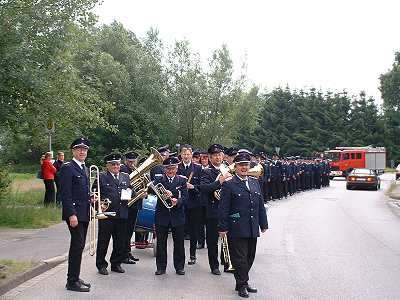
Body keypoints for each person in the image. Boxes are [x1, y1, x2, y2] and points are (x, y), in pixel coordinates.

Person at [218, 151, 268, 298]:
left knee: (250, 256)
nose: (244, 168)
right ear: (236, 167)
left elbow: (260, 204)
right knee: (240, 258)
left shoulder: (254, 182)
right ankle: (242, 284)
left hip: (252, 226)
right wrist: (222, 227)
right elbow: (224, 208)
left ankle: (242, 282)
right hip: (237, 227)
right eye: (241, 165)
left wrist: (263, 223)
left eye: (246, 165)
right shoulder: (229, 185)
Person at [59, 137, 92, 292]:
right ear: (73, 151)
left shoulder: (84, 168)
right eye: (79, 149)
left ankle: (75, 277)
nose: (82, 151)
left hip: (84, 213)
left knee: (79, 246)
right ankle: (71, 282)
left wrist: (92, 197)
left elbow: (82, 192)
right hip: (75, 214)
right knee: (77, 246)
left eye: (85, 149)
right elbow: (65, 194)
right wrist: (71, 214)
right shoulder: (68, 167)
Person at [96, 153, 134, 275]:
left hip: (122, 213)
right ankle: (101, 265)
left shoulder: (125, 176)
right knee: (103, 242)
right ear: (107, 166)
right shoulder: (101, 177)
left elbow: (131, 191)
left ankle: (116, 263)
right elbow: (94, 195)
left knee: (120, 242)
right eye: (113, 164)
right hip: (107, 215)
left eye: (117, 164)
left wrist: (130, 193)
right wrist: (98, 206)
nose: (116, 166)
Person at [152, 156, 188, 276]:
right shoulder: (159, 180)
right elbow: (150, 191)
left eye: (172, 168)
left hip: (177, 216)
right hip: (162, 215)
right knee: (161, 243)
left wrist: (177, 201)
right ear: (164, 169)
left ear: (177, 168)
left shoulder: (182, 181)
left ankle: (179, 267)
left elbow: (185, 198)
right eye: (168, 169)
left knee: (179, 243)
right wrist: (161, 192)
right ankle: (161, 267)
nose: (170, 171)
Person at [200, 143, 232, 275]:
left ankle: (227, 263)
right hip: (213, 209)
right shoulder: (207, 172)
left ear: (223, 155)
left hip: (227, 209)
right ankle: (214, 265)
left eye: (219, 155)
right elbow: (204, 188)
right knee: (212, 240)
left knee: (227, 238)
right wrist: (220, 181)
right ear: (210, 157)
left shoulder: (229, 169)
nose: (218, 158)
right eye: (215, 155)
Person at [177, 144, 203, 265]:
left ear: (191, 155)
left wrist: (193, 187)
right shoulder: (176, 167)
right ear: (181, 155)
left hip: (194, 203)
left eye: (188, 154)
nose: (186, 156)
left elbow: (202, 186)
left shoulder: (198, 168)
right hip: (181, 203)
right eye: (184, 154)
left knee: (193, 231)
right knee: (181, 230)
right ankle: (180, 256)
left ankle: (193, 255)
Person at [120, 151, 141, 263]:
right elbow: (124, 188)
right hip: (126, 205)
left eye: (133, 161)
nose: (132, 163)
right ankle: (124, 255)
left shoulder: (136, 170)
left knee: (130, 231)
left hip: (134, 205)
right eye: (129, 161)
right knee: (125, 231)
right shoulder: (123, 170)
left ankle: (127, 252)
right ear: (125, 161)